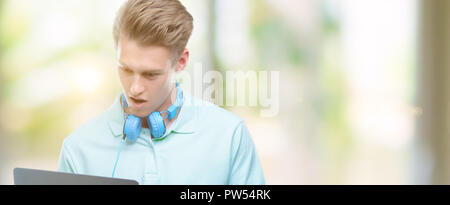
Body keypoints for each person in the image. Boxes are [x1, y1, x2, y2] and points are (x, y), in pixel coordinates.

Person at [57, 0, 265, 185]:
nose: (135, 88)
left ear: (181, 62)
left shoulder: (229, 135)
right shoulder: (78, 149)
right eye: (126, 69)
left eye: (150, 74)